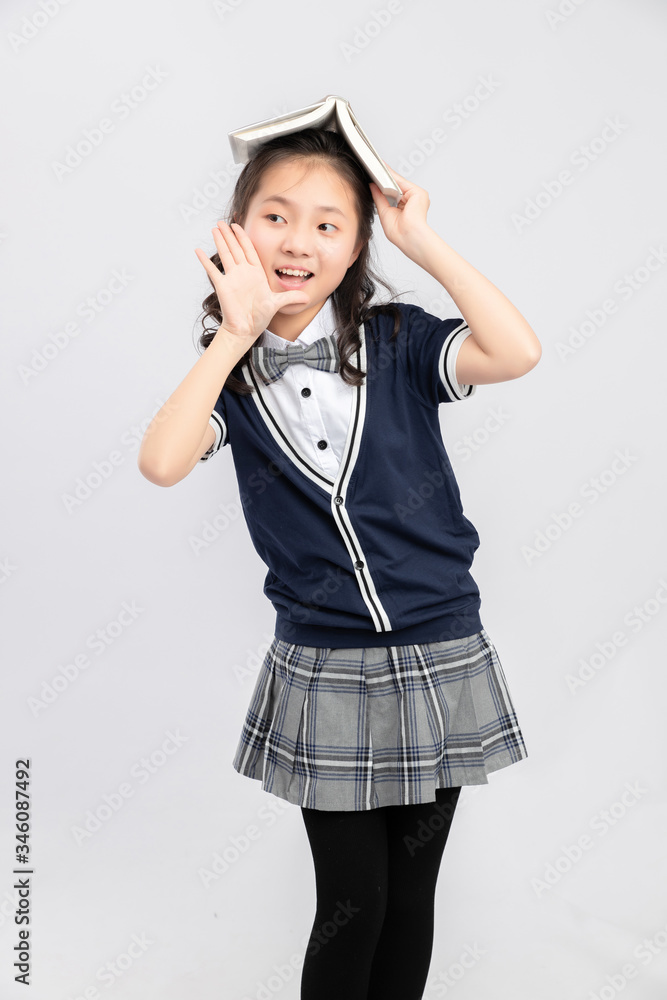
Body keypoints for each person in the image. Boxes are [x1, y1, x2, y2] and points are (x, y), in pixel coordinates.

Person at [138, 125, 541, 999]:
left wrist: (422, 240)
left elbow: (515, 351)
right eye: (276, 217)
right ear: (235, 233)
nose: (298, 240)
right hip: (326, 666)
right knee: (351, 897)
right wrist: (231, 336)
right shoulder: (229, 381)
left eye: (328, 224)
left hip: (441, 651)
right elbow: (162, 462)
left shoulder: (398, 341)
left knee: (410, 895)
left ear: (358, 244)